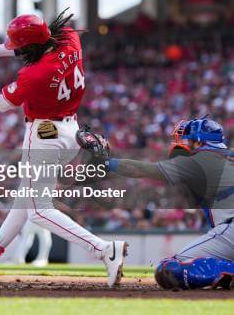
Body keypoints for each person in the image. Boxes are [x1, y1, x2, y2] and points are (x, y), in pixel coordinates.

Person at [0, 9, 128, 287]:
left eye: (19, 47)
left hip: (44, 135)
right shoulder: (68, 40)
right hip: (70, 132)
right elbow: (25, 46)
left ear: (31, 46)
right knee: (23, 202)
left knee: (38, 210)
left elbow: (0, 103)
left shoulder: (35, 73)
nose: (16, 51)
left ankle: (103, 249)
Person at [89, 116, 233, 290]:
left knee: (169, 269)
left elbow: (140, 169)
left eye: (188, 140)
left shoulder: (201, 160)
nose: (184, 144)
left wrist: (105, 163)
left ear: (200, 142)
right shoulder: (226, 156)